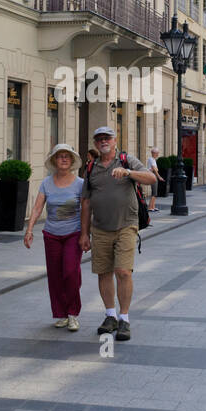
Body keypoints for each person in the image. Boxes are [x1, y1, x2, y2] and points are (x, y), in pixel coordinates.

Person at [80, 127, 155, 342]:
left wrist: (129, 173)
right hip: (100, 228)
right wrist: (84, 233)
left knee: (123, 271)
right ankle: (110, 315)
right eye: (99, 139)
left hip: (126, 225)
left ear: (115, 141)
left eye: (107, 138)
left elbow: (151, 178)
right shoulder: (91, 167)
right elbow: (85, 202)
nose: (103, 141)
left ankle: (124, 318)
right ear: (96, 144)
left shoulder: (126, 160)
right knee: (103, 272)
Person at [25, 143, 84, 331]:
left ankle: (73, 313)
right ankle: (61, 314)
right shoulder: (46, 183)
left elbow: (86, 211)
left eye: (67, 156)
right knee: (55, 276)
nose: (64, 159)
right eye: (60, 156)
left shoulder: (80, 184)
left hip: (73, 234)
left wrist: (86, 233)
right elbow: (37, 208)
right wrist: (29, 230)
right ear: (54, 161)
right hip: (51, 235)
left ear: (72, 161)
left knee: (70, 273)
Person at [147, 147, 161, 211]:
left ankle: (153, 206)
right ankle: (150, 207)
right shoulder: (151, 159)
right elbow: (154, 169)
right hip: (153, 176)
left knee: (155, 193)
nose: (158, 154)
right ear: (153, 153)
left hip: (154, 176)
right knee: (154, 193)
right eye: (156, 153)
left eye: (158, 153)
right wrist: (159, 177)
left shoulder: (153, 159)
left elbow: (155, 169)